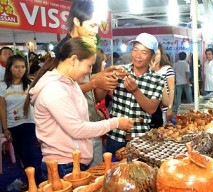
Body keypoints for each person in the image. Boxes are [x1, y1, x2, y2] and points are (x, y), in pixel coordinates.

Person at [27, 37, 134, 178]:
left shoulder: (69, 83)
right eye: (89, 66)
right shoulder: (54, 89)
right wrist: (115, 123)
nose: (90, 71)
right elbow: (77, 129)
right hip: (63, 165)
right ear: (73, 60)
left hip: (72, 162)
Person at [52, 0, 127, 167]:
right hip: (70, 137)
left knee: (96, 178)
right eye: (92, 25)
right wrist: (94, 82)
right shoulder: (62, 51)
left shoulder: (85, 48)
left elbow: (90, 92)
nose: (96, 31)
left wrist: (104, 79)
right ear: (77, 22)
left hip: (90, 124)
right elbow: (59, 91)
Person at [106, 33, 165, 154]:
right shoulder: (120, 71)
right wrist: (107, 79)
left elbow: (151, 109)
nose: (138, 55)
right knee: (111, 170)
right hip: (115, 135)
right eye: (135, 50)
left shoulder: (158, 79)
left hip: (140, 138)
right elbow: (100, 95)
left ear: (152, 56)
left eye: (144, 52)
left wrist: (135, 91)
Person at [0, 55, 43, 183]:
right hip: (13, 125)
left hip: (29, 123)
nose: (20, 70)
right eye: (17, 67)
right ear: (10, 68)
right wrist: (5, 128)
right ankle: (30, 182)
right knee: (22, 155)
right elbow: (2, 108)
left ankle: (39, 182)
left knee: (31, 154)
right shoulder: (3, 87)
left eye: (23, 67)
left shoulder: (30, 84)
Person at [150, 43, 175, 127]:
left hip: (164, 107)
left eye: (157, 54)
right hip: (150, 107)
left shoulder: (167, 69)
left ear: (161, 55)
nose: (155, 57)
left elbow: (171, 89)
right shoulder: (147, 70)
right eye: (153, 54)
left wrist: (170, 108)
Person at [173, 52, 193, 118]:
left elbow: (174, 74)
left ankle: (177, 109)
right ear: (185, 57)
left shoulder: (175, 64)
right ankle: (191, 107)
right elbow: (187, 73)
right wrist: (188, 82)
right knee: (189, 95)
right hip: (185, 82)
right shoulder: (186, 64)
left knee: (178, 96)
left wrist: (175, 80)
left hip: (178, 82)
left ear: (179, 56)